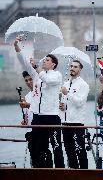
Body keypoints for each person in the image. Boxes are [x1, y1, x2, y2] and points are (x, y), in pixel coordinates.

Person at [14, 35, 65, 168]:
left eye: (47, 60)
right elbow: (23, 62)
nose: (44, 61)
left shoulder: (56, 75)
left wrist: (37, 67)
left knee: (56, 146)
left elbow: (48, 80)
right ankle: (41, 169)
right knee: (39, 146)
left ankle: (60, 171)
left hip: (52, 116)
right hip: (38, 116)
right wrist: (16, 46)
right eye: (44, 60)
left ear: (53, 64)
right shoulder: (37, 73)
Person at [59, 60, 89, 169]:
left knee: (80, 150)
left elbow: (80, 102)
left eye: (75, 66)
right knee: (69, 151)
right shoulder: (66, 84)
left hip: (76, 123)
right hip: (65, 122)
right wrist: (61, 106)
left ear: (80, 69)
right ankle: (73, 173)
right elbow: (65, 103)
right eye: (71, 66)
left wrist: (68, 93)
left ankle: (85, 174)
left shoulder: (83, 85)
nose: (72, 68)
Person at [19, 71, 36, 166]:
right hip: (30, 130)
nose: (29, 82)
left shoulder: (41, 93)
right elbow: (27, 114)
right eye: (26, 80)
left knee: (42, 154)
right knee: (33, 156)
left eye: (30, 79)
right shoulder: (27, 96)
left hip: (39, 129)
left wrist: (28, 105)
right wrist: (24, 120)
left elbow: (41, 109)